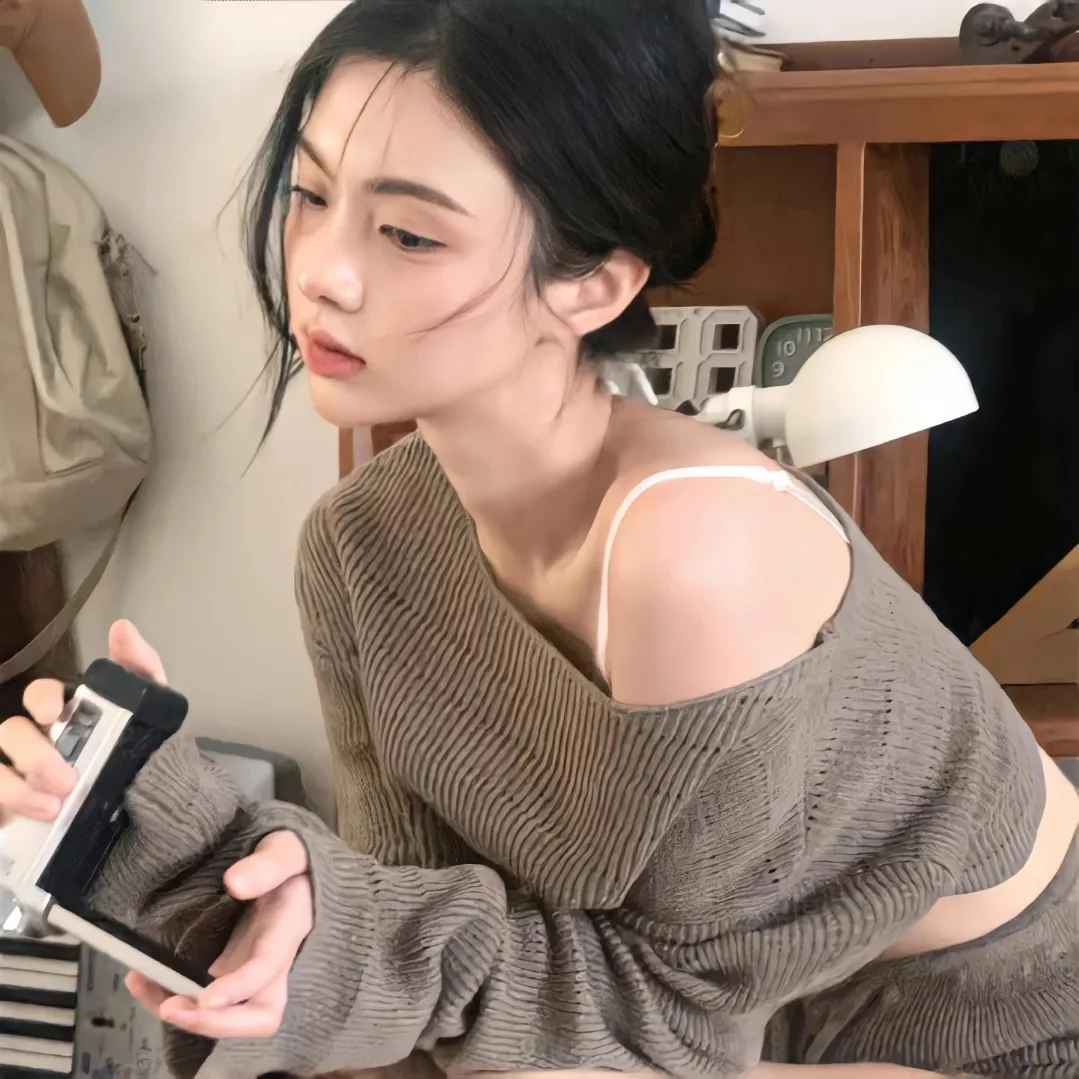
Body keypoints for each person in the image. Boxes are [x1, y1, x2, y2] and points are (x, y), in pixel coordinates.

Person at [2, 2, 1077, 1077]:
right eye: (311, 195)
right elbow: (422, 935)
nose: (322, 271)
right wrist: (190, 859)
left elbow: (664, 1028)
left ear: (591, 282)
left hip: (995, 1027)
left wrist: (301, 921)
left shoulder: (689, 552)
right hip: (739, 1021)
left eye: (409, 233)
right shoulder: (359, 545)